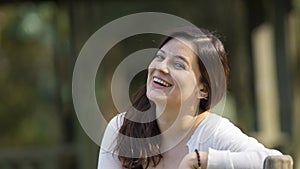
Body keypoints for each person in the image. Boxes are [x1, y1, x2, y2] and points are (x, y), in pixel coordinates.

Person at [97, 27, 282, 169]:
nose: (161, 67)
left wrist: (202, 160)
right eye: (159, 57)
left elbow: (274, 161)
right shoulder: (121, 128)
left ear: (203, 90)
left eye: (178, 64)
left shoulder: (213, 132)